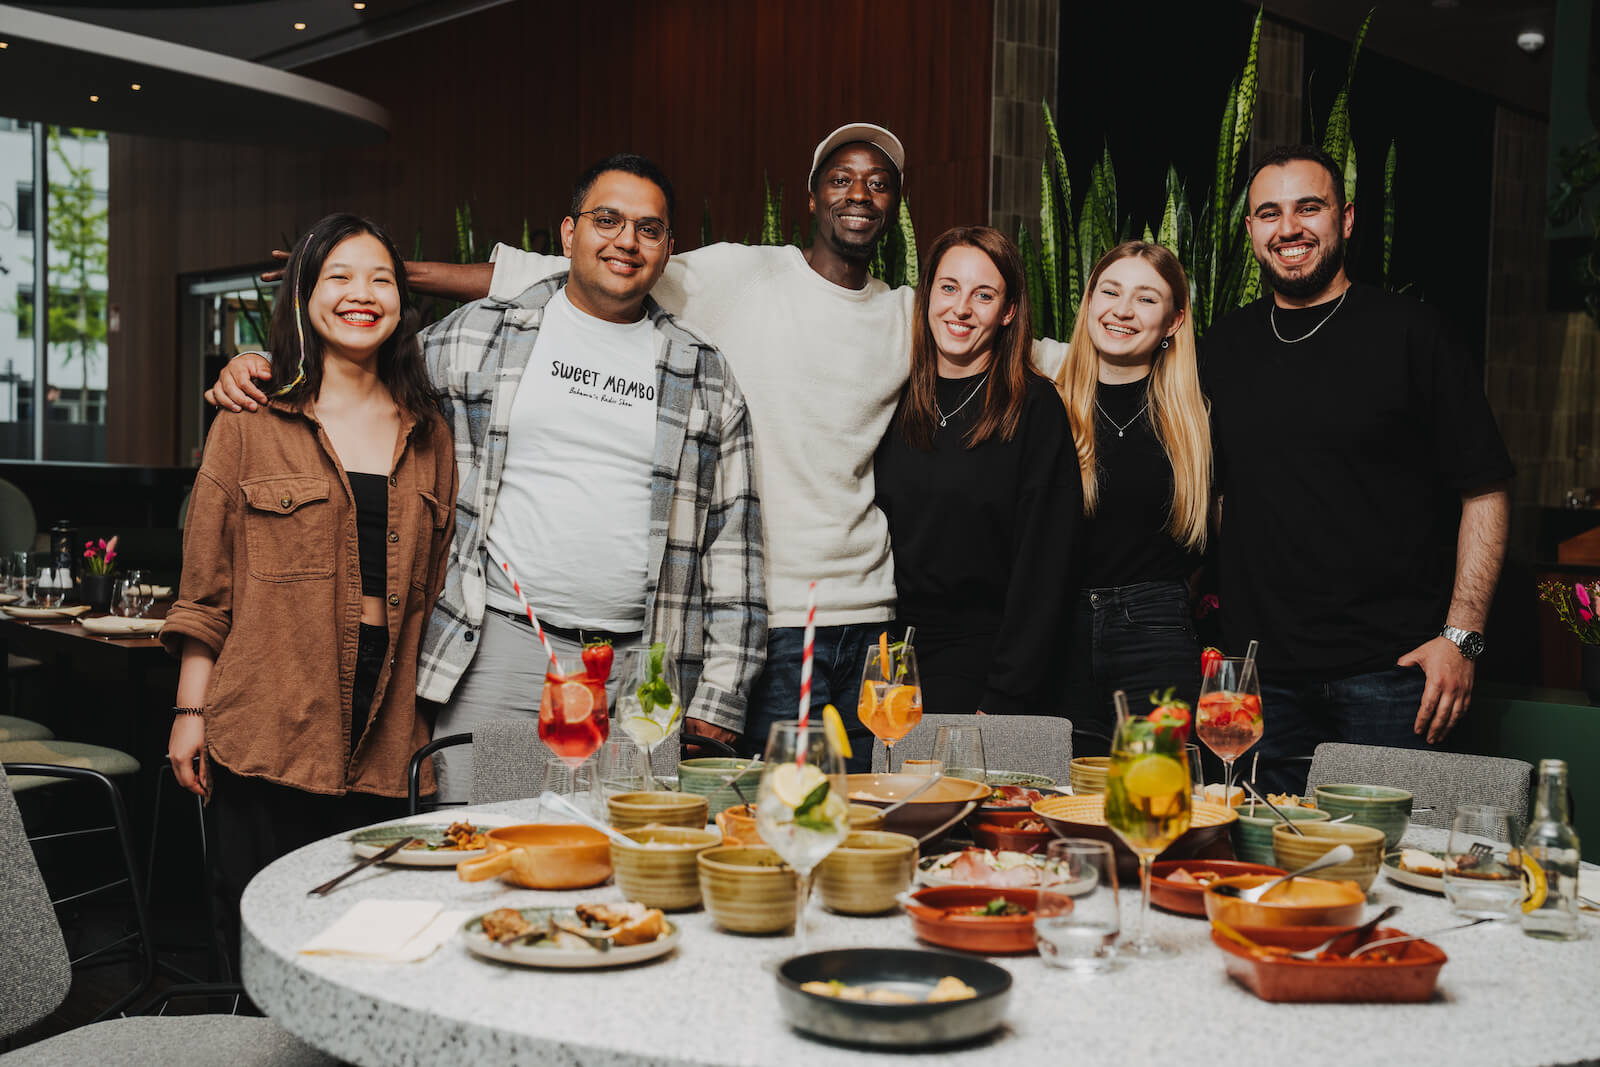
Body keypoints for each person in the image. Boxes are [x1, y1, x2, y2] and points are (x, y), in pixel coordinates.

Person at [205, 155, 767, 803]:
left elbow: (735, 547)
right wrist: (270, 364)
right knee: (490, 847)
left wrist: (720, 697)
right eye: (606, 220)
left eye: (648, 228)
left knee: (628, 854)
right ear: (568, 233)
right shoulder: (484, 335)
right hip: (505, 655)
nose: (625, 241)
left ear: (669, 248)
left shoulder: (703, 373)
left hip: (646, 666)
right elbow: (360, 373)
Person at [162, 213, 458, 966]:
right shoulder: (250, 419)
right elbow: (207, 583)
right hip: (268, 718)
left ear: (401, 303)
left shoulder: (431, 432)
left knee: (364, 947)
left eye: (381, 279)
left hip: (388, 730)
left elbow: (433, 585)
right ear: (304, 293)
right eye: (340, 277)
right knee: (261, 945)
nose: (362, 294)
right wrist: (190, 710)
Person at [1204, 145, 1512, 794]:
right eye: (1269, 213)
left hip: (1393, 676)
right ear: (1252, 231)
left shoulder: (1414, 333)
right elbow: (1214, 497)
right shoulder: (1222, 348)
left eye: (1307, 208)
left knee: (1389, 871)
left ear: (1346, 219)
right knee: (1257, 870)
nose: (1288, 228)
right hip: (1261, 681)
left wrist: (1463, 637)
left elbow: (1484, 489)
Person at [873, 226, 1078, 718]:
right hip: (892, 665)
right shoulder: (893, 399)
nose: (961, 309)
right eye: (949, 288)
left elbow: (1047, 566)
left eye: (983, 295)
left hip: (989, 668)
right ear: (926, 297)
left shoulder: (1034, 407)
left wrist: (1005, 695)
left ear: (1008, 311)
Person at [1052, 241, 1211, 756]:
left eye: (1145, 299)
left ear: (1173, 322)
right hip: (1057, 634)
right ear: (1090, 302)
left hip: (1157, 633)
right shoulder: (1043, 408)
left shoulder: (1197, 421)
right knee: (1057, 804)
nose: (1122, 310)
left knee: (1157, 808)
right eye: (1110, 291)